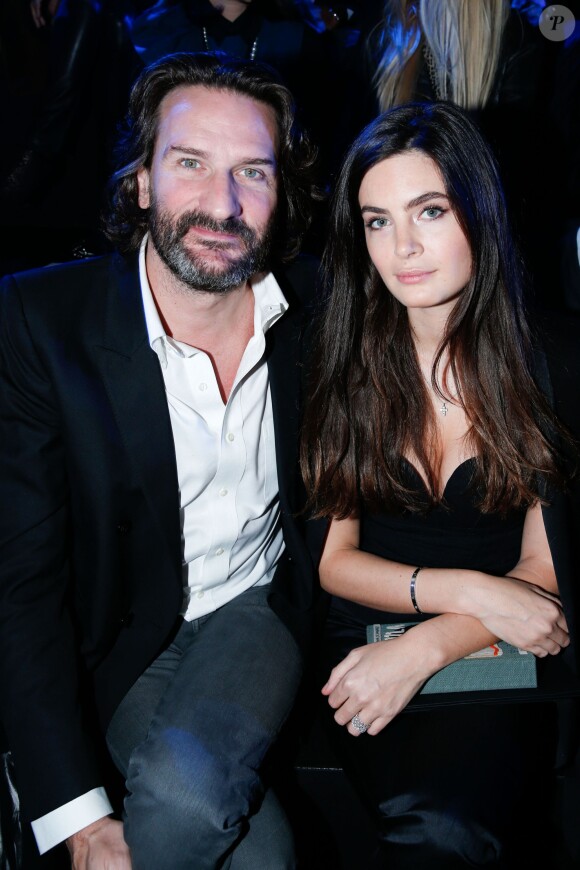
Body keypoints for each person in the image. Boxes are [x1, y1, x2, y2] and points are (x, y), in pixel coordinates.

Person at [0, 50, 321, 869]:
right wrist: (73, 814)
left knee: (182, 800)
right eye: (189, 164)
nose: (223, 204)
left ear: (282, 194)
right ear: (140, 180)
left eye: (253, 171)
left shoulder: (321, 314)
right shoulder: (42, 322)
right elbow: (21, 582)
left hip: (256, 609)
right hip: (118, 634)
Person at [300, 101, 580, 868]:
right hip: (365, 639)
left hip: (501, 642)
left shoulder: (550, 359)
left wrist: (429, 646)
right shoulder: (340, 355)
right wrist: (469, 593)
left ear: (481, 215)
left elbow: (544, 575)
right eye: (377, 221)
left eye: (429, 210)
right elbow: (333, 561)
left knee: (455, 827)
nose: (404, 247)